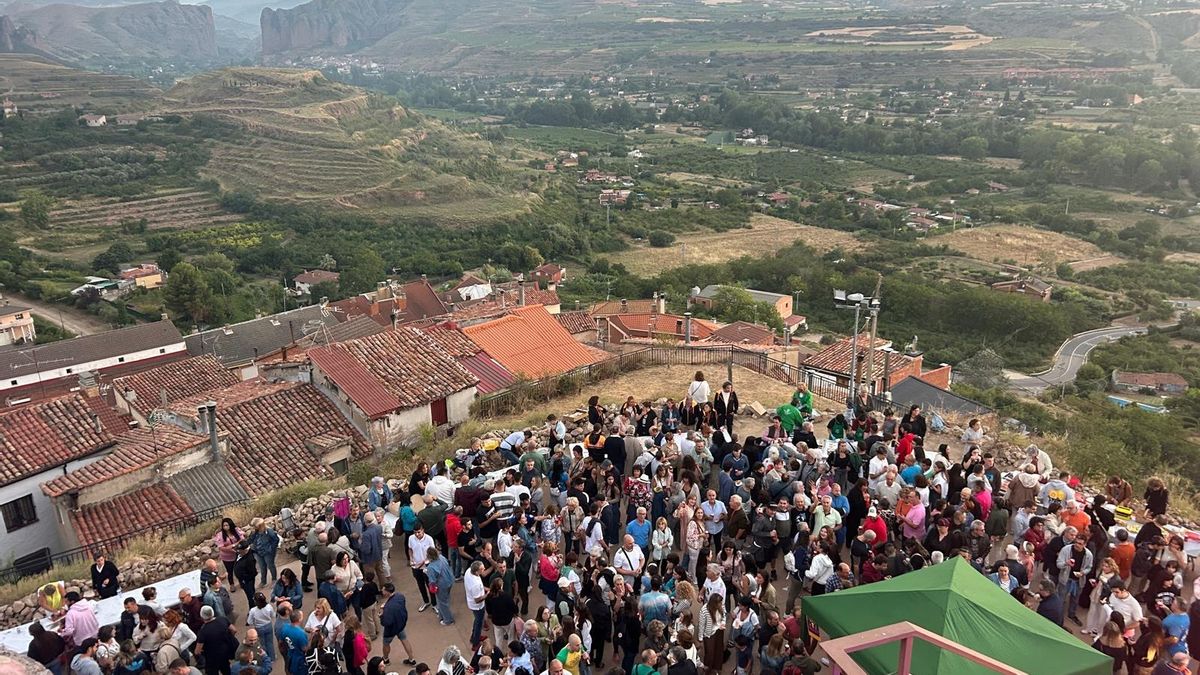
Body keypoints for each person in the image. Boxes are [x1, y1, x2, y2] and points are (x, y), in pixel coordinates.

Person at [195, 606, 238, 675]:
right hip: (225, 652)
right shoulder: (223, 619)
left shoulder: (203, 631)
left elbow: (197, 651)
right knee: (226, 670)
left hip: (211, 657)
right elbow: (234, 630)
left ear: (202, 616)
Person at [698, 593, 725, 674]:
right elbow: (701, 625)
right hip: (709, 634)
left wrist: (723, 623)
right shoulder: (704, 610)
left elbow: (724, 615)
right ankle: (707, 670)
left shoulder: (721, 606)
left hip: (719, 631)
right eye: (719, 603)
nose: (721, 604)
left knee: (719, 651)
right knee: (709, 653)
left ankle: (716, 668)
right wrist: (700, 638)